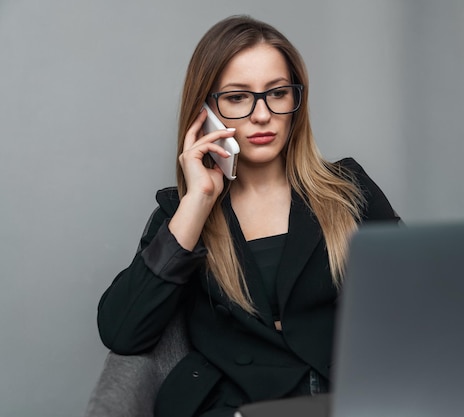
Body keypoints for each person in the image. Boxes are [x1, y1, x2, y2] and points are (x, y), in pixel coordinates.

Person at [97, 15, 400, 417]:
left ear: (296, 101)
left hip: (344, 400)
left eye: (277, 93)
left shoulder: (347, 189)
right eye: (237, 97)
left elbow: (413, 297)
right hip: (240, 406)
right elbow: (122, 332)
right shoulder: (183, 214)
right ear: (205, 111)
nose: (262, 115)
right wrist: (197, 201)